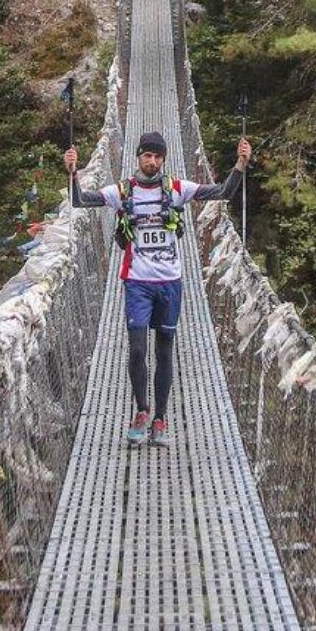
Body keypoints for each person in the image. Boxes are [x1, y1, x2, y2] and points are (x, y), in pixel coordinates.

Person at [65, 128, 251, 448]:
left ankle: (161, 418)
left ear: (163, 159)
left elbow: (222, 192)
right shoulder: (123, 192)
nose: (151, 161)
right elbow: (79, 200)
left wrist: (240, 164)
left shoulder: (177, 188)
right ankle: (141, 411)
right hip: (137, 281)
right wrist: (72, 172)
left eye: (157, 157)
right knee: (137, 349)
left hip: (169, 282)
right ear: (138, 157)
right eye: (147, 155)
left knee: (165, 348)